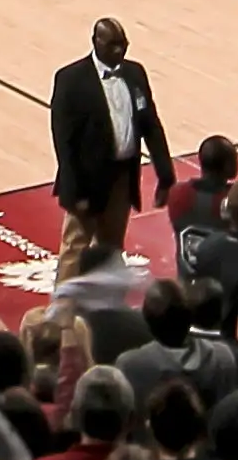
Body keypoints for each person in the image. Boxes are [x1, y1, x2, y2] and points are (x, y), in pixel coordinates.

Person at [46, 17, 163, 271]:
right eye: (113, 45)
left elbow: (151, 125)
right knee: (74, 249)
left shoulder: (135, 73)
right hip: (86, 183)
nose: (119, 51)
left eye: (123, 45)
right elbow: (64, 143)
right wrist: (73, 190)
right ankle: (63, 309)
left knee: (111, 248)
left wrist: (165, 175)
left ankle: (106, 306)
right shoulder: (71, 79)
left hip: (122, 178)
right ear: (96, 42)